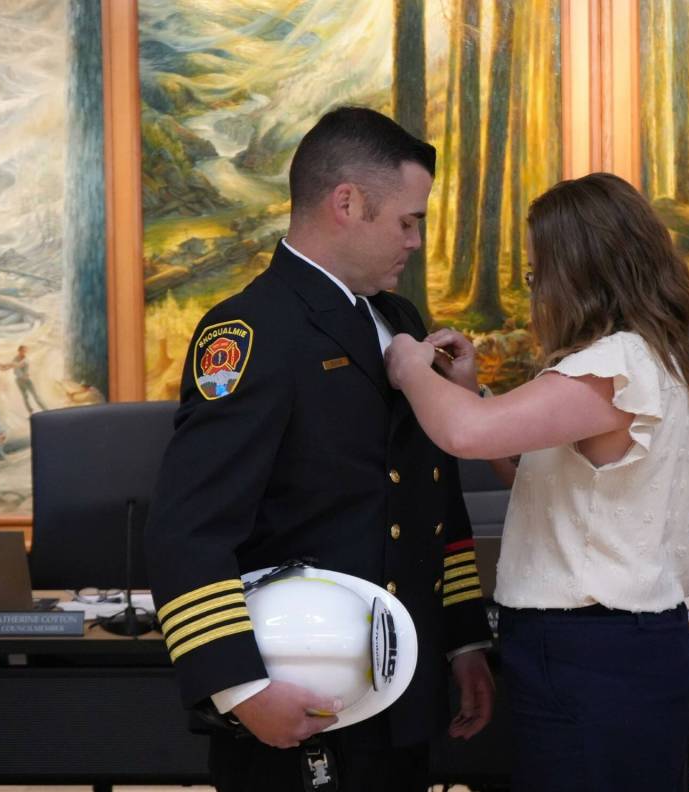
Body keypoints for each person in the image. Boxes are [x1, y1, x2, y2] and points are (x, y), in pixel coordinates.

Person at [144, 107, 494, 792]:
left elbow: (431, 498)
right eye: (407, 220)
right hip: (297, 700)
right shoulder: (252, 330)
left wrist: (464, 639)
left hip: (402, 697)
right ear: (347, 203)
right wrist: (240, 689)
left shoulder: (400, 321)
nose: (416, 241)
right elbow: (188, 530)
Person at [385, 172, 689, 791]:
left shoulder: (614, 366)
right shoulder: (656, 354)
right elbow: (533, 475)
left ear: (580, 272)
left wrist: (413, 370)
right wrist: (466, 391)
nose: (536, 288)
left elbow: (469, 436)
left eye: (538, 271)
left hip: (589, 651)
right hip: (622, 646)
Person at [0, 344, 47, 413]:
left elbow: (16, 365)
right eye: (23, 351)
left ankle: (46, 410)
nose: (24, 352)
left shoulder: (26, 360)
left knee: (36, 396)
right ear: (19, 351)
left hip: (26, 380)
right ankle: (30, 412)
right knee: (25, 397)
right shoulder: (15, 359)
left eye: (25, 351)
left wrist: (6, 364)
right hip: (19, 380)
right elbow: (3, 369)